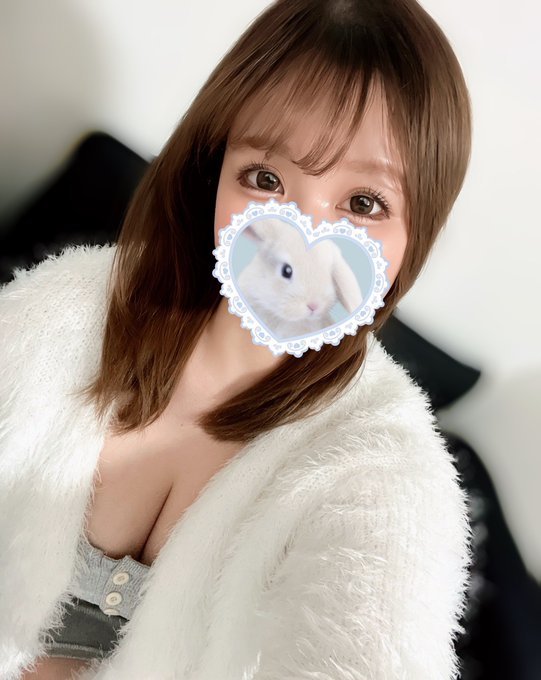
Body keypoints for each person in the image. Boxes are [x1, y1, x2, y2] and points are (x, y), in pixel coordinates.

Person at [1, 0, 474, 678]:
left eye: (363, 203)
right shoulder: (63, 316)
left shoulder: (384, 475)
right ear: (213, 175)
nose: (302, 237)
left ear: (415, 235)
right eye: (266, 179)